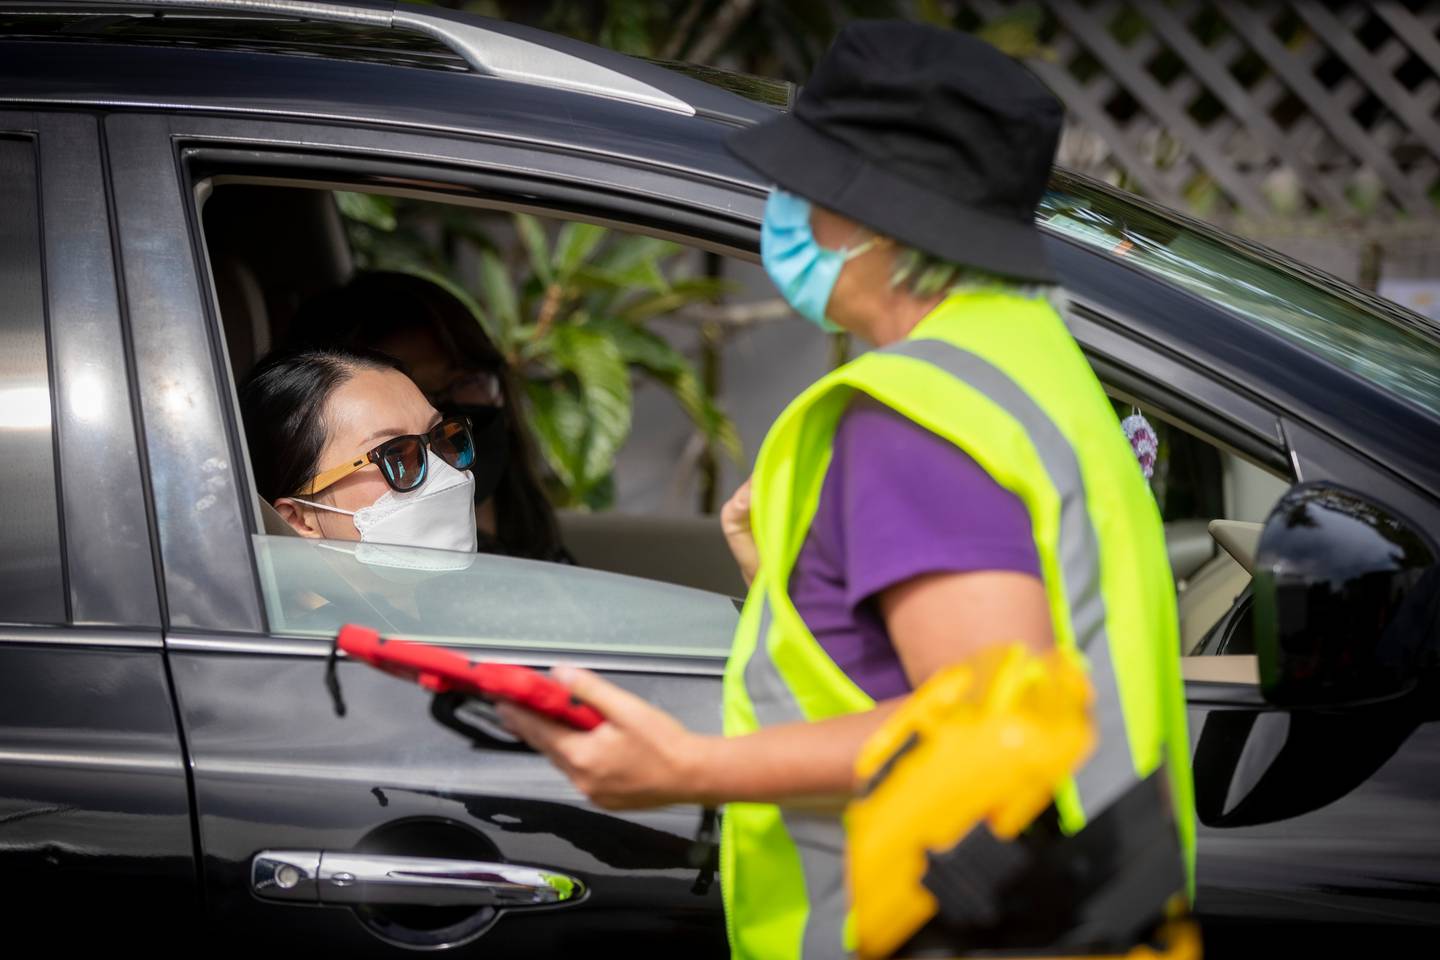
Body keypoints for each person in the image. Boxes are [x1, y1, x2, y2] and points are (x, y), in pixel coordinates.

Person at [497, 21, 1194, 960]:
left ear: (877, 216)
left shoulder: (914, 419)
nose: (777, 208)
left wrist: (685, 767)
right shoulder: (1037, 368)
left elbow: (992, 730)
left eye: (801, 186)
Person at [290, 270, 569, 562]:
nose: (443, 437)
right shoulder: (405, 586)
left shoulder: (541, 552)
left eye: (464, 381)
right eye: (412, 390)